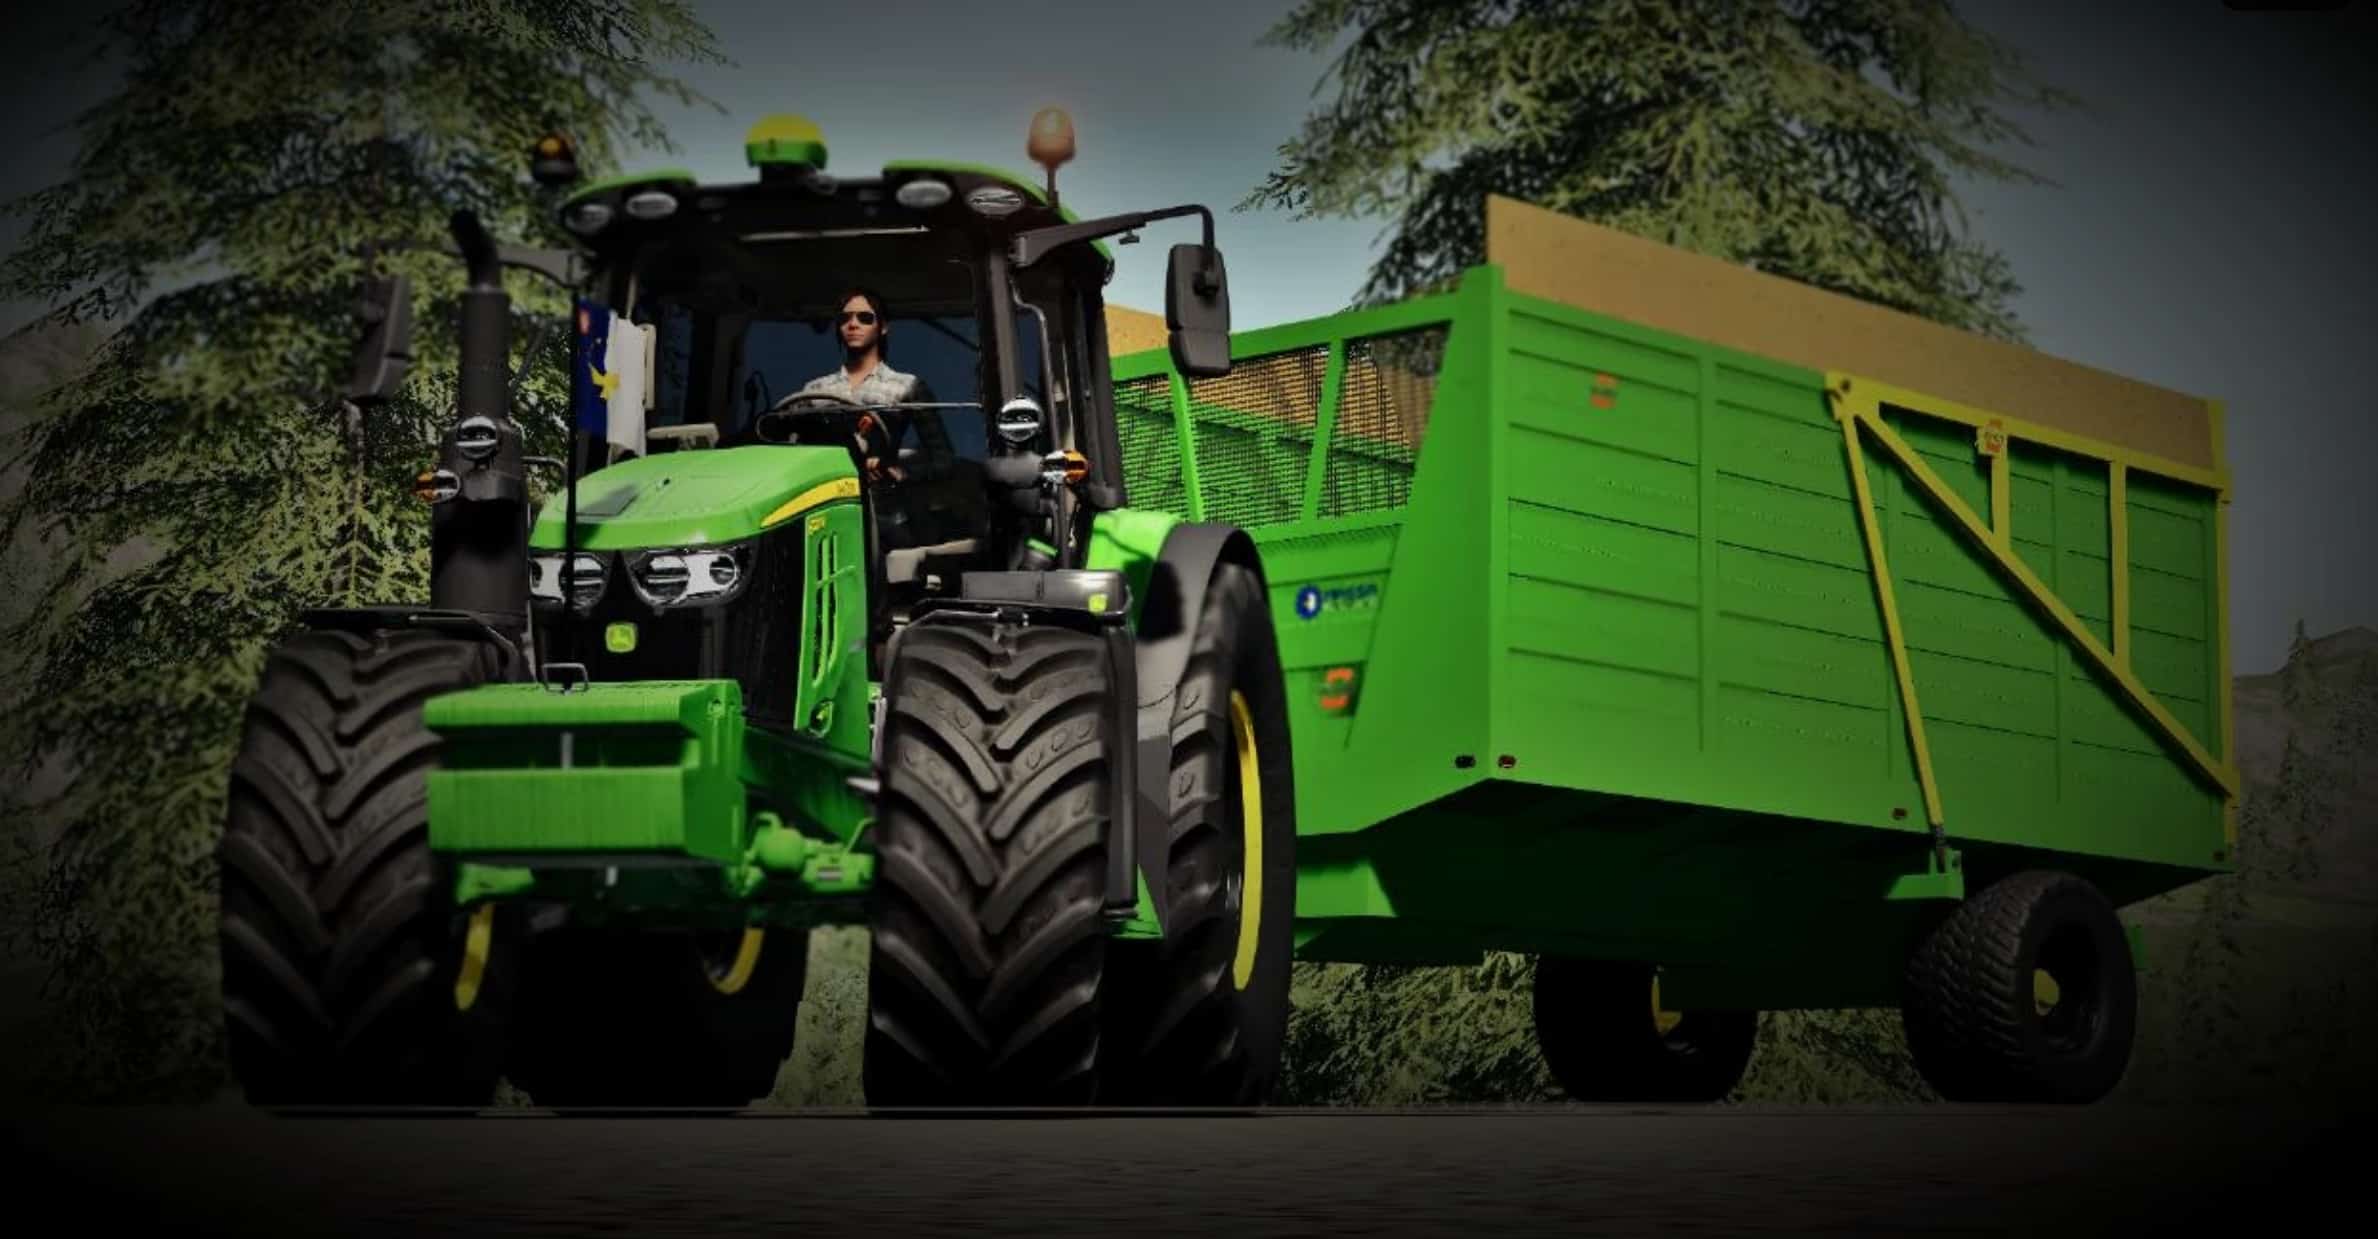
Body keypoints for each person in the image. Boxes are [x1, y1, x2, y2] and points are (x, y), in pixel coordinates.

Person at [800, 287, 956, 484]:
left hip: (883, 497)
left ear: (882, 327)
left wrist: (900, 473)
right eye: (845, 318)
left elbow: (943, 458)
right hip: (823, 492)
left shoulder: (908, 386)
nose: (853, 324)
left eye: (865, 318)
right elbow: (791, 449)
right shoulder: (814, 390)